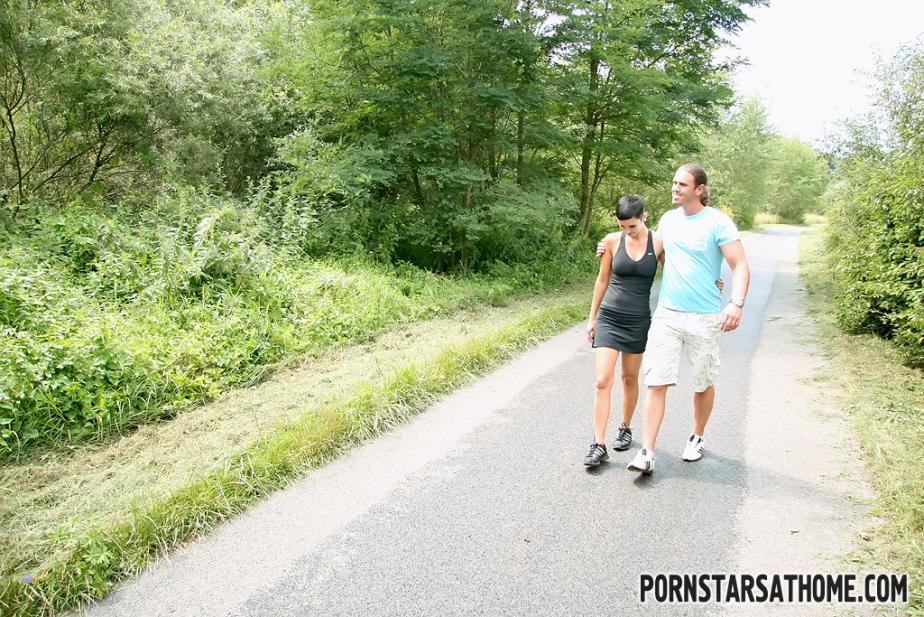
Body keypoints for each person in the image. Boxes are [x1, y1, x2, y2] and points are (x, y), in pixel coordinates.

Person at [625, 163, 750, 474]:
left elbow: (740, 265)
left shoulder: (718, 223)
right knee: (656, 380)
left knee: (702, 381)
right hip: (668, 313)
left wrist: (735, 303)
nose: (675, 188)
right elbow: (648, 246)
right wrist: (610, 242)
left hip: (704, 317)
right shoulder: (668, 220)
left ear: (700, 189)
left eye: (682, 184)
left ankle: (697, 436)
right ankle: (647, 452)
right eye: (674, 182)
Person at [583, 195, 659, 466]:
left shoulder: (659, 243)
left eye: (632, 226)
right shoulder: (612, 241)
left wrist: (714, 282)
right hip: (610, 317)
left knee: (629, 378)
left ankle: (625, 427)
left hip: (638, 320)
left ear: (644, 217)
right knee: (602, 380)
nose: (627, 231)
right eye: (622, 226)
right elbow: (602, 279)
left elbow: (679, 274)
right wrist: (592, 318)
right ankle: (598, 443)